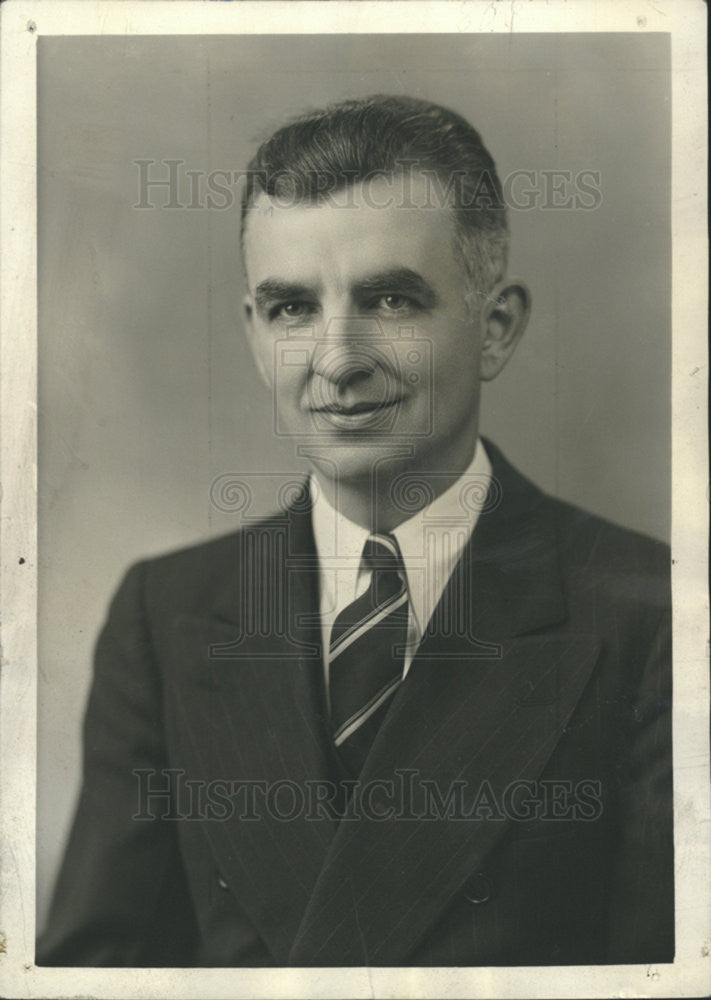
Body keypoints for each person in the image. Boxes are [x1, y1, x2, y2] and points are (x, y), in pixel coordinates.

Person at [37, 94, 673, 968]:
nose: (336, 358)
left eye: (389, 298)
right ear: (256, 336)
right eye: (293, 308)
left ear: (495, 328)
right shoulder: (170, 613)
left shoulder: (652, 615)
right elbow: (94, 975)